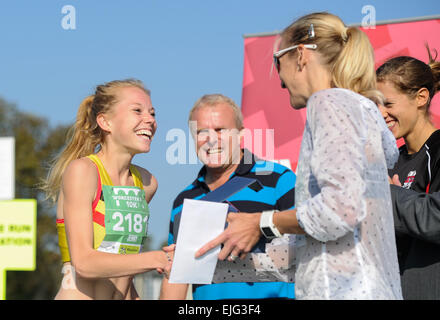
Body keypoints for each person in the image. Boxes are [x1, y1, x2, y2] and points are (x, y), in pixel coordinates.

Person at [195, 12, 403, 300]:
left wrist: (262, 222)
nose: (279, 79)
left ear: (301, 55)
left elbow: (339, 211)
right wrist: (200, 264)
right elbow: (310, 253)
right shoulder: (359, 110)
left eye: (277, 61)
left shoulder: (328, 102)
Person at [42, 79, 174, 300]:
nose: (150, 120)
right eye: (137, 111)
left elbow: (122, 267)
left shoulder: (146, 182)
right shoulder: (83, 171)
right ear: (105, 122)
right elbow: (84, 263)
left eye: (152, 113)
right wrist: (156, 259)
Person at [159, 94, 296, 300]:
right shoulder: (183, 201)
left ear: (241, 135)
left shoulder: (279, 180)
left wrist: (258, 226)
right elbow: (176, 278)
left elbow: (312, 241)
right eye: (201, 132)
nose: (211, 139)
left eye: (220, 130)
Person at [376, 48, 440, 299]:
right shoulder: (387, 162)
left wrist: (387, 194)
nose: (381, 113)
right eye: (376, 104)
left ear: (421, 97)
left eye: (388, 104)